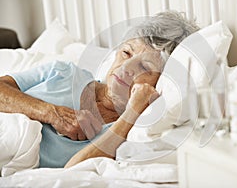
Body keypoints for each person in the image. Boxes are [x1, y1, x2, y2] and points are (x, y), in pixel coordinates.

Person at [0, 11, 200, 168]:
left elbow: (74, 168)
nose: (125, 68)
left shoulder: (130, 130)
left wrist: (132, 112)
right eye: (126, 52)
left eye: (144, 67)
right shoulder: (63, 71)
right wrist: (52, 114)